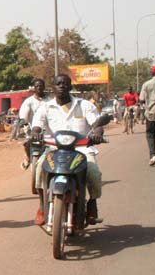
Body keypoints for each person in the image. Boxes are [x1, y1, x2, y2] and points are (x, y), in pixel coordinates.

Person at [32, 74, 104, 226]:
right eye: (58, 83)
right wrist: (36, 133)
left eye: (65, 84)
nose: (62, 86)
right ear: (53, 88)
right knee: (38, 169)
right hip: (54, 150)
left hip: (81, 149)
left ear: (70, 87)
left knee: (94, 173)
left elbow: (97, 124)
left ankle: (92, 203)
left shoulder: (84, 105)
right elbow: (37, 125)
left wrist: (97, 133)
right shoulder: (45, 107)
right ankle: (42, 205)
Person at [17, 78, 47, 169]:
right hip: (33, 129)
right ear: (33, 88)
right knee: (26, 142)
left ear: (44, 87)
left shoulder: (49, 101)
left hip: (48, 130)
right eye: (37, 86)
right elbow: (24, 115)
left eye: (41, 86)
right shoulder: (29, 101)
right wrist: (23, 121)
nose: (39, 87)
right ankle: (28, 157)